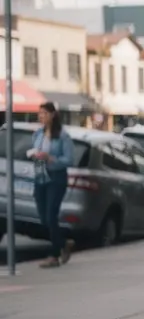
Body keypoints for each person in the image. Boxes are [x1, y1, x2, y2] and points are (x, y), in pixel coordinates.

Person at [26, 102, 75, 269]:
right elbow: (35, 150)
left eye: (44, 113)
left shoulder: (62, 136)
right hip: (40, 176)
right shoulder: (38, 134)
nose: (41, 117)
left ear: (53, 115)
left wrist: (51, 158)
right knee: (43, 216)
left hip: (56, 177)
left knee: (51, 215)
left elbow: (69, 160)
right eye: (39, 114)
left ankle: (54, 255)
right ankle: (63, 243)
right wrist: (35, 155)